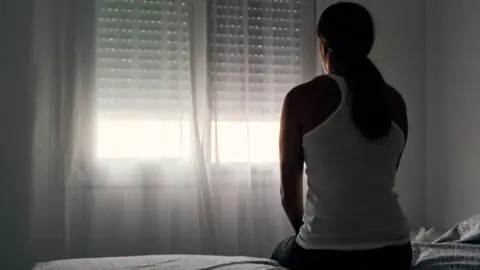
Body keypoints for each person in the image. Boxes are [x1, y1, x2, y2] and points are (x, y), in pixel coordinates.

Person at [271, 2, 412, 270]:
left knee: (279, 251)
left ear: (324, 47)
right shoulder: (395, 102)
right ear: (366, 45)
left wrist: (314, 236)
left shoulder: (300, 98)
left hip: (323, 255)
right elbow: (382, 177)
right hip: (394, 253)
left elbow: (288, 196)